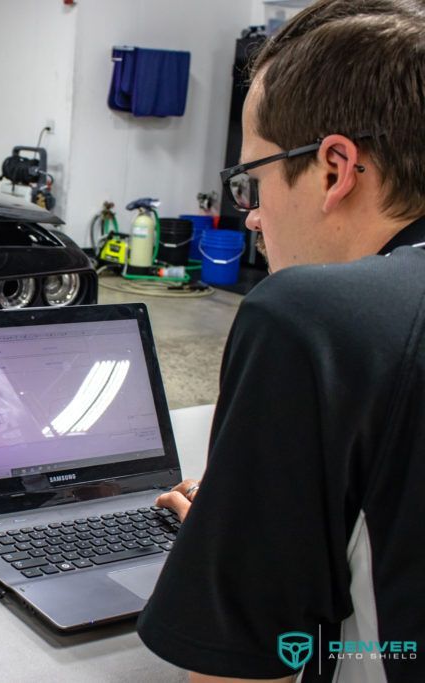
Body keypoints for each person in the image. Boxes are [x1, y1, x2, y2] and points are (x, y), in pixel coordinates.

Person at [136, 1, 425, 681]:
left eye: (255, 180)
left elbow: (239, 669)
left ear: (334, 167)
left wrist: (232, 546)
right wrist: (262, 509)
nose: (256, 217)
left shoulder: (310, 319)